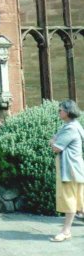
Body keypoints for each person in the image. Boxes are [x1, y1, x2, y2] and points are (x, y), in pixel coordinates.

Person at [49, 99, 84, 242]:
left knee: (70, 200)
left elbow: (56, 147)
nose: (59, 111)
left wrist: (52, 142)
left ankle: (66, 231)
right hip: (75, 169)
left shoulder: (70, 128)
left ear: (68, 112)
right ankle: (66, 231)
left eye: (61, 109)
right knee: (80, 202)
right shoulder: (73, 125)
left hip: (70, 171)